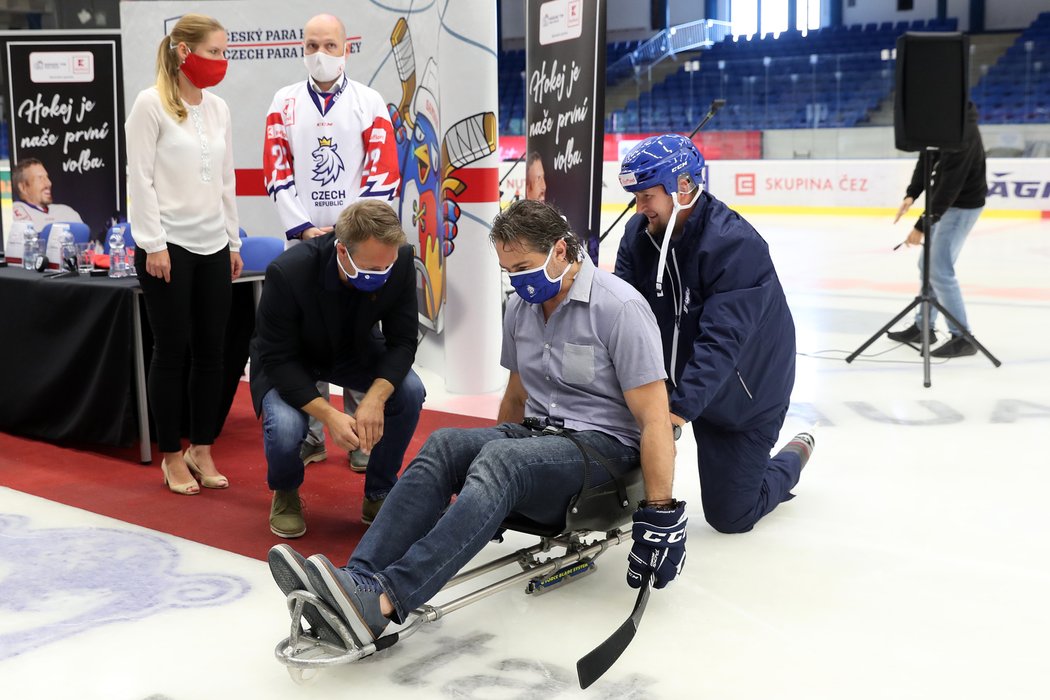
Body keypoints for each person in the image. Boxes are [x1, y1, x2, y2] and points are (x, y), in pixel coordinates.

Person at [267, 199, 685, 646]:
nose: (519, 281)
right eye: (510, 271)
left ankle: (385, 601)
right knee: (447, 444)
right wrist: (487, 498)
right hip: (543, 434)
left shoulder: (619, 308)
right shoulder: (522, 309)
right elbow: (517, 396)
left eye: (525, 267)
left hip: (605, 451)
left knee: (503, 462)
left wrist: (660, 514)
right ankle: (357, 584)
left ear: (561, 251)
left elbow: (655, 418)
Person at [616, 133, 814, 535]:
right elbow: (620, 317)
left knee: (731, 516)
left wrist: (675, 411)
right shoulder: (638, 237)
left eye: (646, 196)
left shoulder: (735, 246)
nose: (639, 209)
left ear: (683, 187)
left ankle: (795, 455)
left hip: (746, 396)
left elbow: (722, 342)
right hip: (681, 385)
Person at [263, 13, 402, 472]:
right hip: (305, 243)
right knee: (307, 341)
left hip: (357, 244)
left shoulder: (369, 101)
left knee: (364, 333)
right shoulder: (282, 102)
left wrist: (351, 232)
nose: (319, 53)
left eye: (329, 44)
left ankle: (364, 436)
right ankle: (313, 435)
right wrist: (304, 229)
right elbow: (277, 171)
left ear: (347, 48)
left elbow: (383, 174)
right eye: (311, 44)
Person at [250, 199, 425, 536]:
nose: (382, 275)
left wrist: (375, 397)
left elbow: (402, 341)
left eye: (386, 268)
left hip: (353, 349)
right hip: (291, 359)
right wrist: (330, 416)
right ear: (341, 251)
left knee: (409, 391)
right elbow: (277, 359)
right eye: (372, 269)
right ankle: (285, 491)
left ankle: (379, 491)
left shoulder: (400, 259)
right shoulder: (289, 271)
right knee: (285, 426)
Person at [125, 13, 243, 496]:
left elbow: (226, 181)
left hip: (214, 243)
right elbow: (141, 179)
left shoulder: (218, 110)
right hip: (167, 247)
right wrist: (152, 242)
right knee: (172, 352)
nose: (221, 61)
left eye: (224, 52)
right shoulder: (149, 104)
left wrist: (233, 242)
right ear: (182, 51)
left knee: (212, 354)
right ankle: (172, 454)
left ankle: (203, 447)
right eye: (214, 52)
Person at [886, 102, 987, 359]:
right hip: (946, 204)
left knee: (940, 269)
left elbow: (950, 185)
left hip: (962, 205)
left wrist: (922, 225)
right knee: (928, 265)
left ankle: (962, 337)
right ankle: (924, 327)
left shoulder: (963, 132)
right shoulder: (938, 124)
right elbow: (926, 159)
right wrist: (912, 194)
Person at [11, 158, 84, 230]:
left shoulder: (66, 211)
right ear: (23, 187)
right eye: (40, 178)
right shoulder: (12, 215)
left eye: (47, 177)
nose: (49, 183)